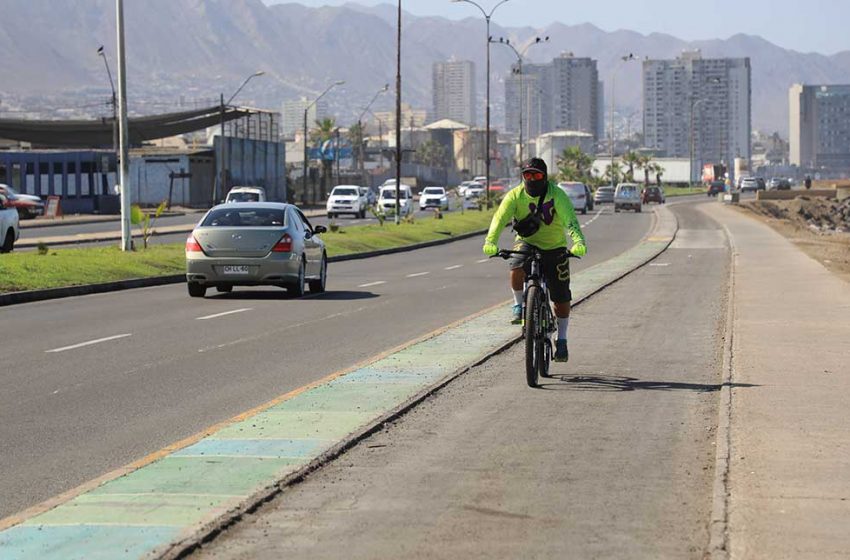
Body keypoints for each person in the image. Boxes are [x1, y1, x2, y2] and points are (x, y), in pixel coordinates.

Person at [482, 157, 587, 363]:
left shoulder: (557, 194)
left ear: (545, 177)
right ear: (522, 177)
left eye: (536, 175)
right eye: (527, 175)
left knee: (561, 297)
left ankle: (562, 339)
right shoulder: (515, 195)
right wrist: (490, 241)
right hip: (527, 242)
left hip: (554, 246)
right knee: (516, 265)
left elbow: (570, 221)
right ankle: (518, 304)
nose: (532, 179)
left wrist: (578, 242)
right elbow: (499, 219)